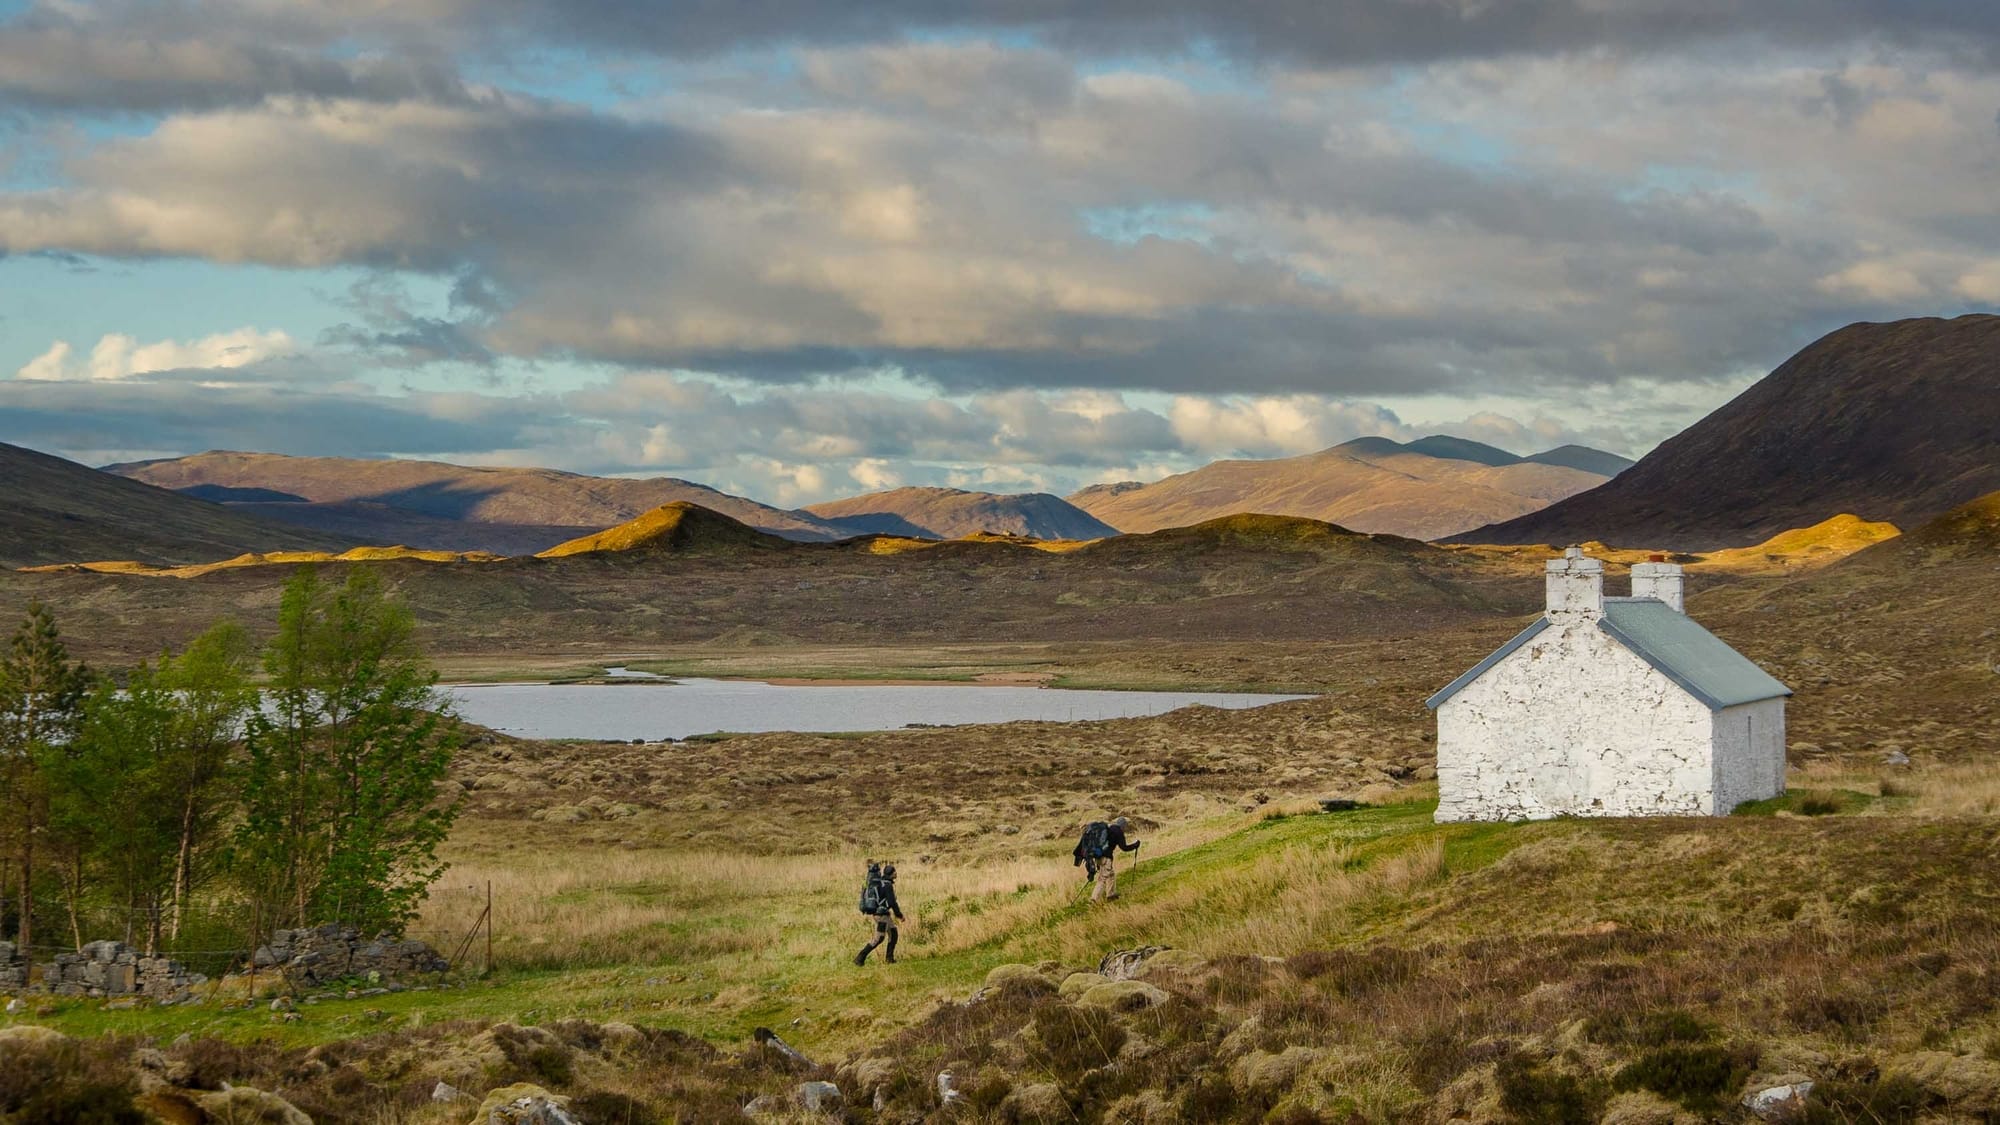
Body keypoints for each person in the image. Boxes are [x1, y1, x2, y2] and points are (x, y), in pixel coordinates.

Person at [1074, 816, 1141, 903]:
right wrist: (1135, 845)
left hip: (1099, 856)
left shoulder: (1110, 828)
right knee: (1102, 878)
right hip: (1106, 858)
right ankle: (1094, 899)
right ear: (1123, 825)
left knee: (1111, 874)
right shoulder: (1119, 832)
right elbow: (1124, 848)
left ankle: (1111, 895)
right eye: (1125, 826)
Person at [854, 862, 905, 965]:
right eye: (894, 871)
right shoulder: (887, 885)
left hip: (883, 915)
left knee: (893, 933)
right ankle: (860, 958)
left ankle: (889, 959)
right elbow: (892, 902)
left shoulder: (881, 883)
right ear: (891, 874)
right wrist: (899, 915)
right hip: (882, 915)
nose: (896, 873)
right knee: (879, 938)